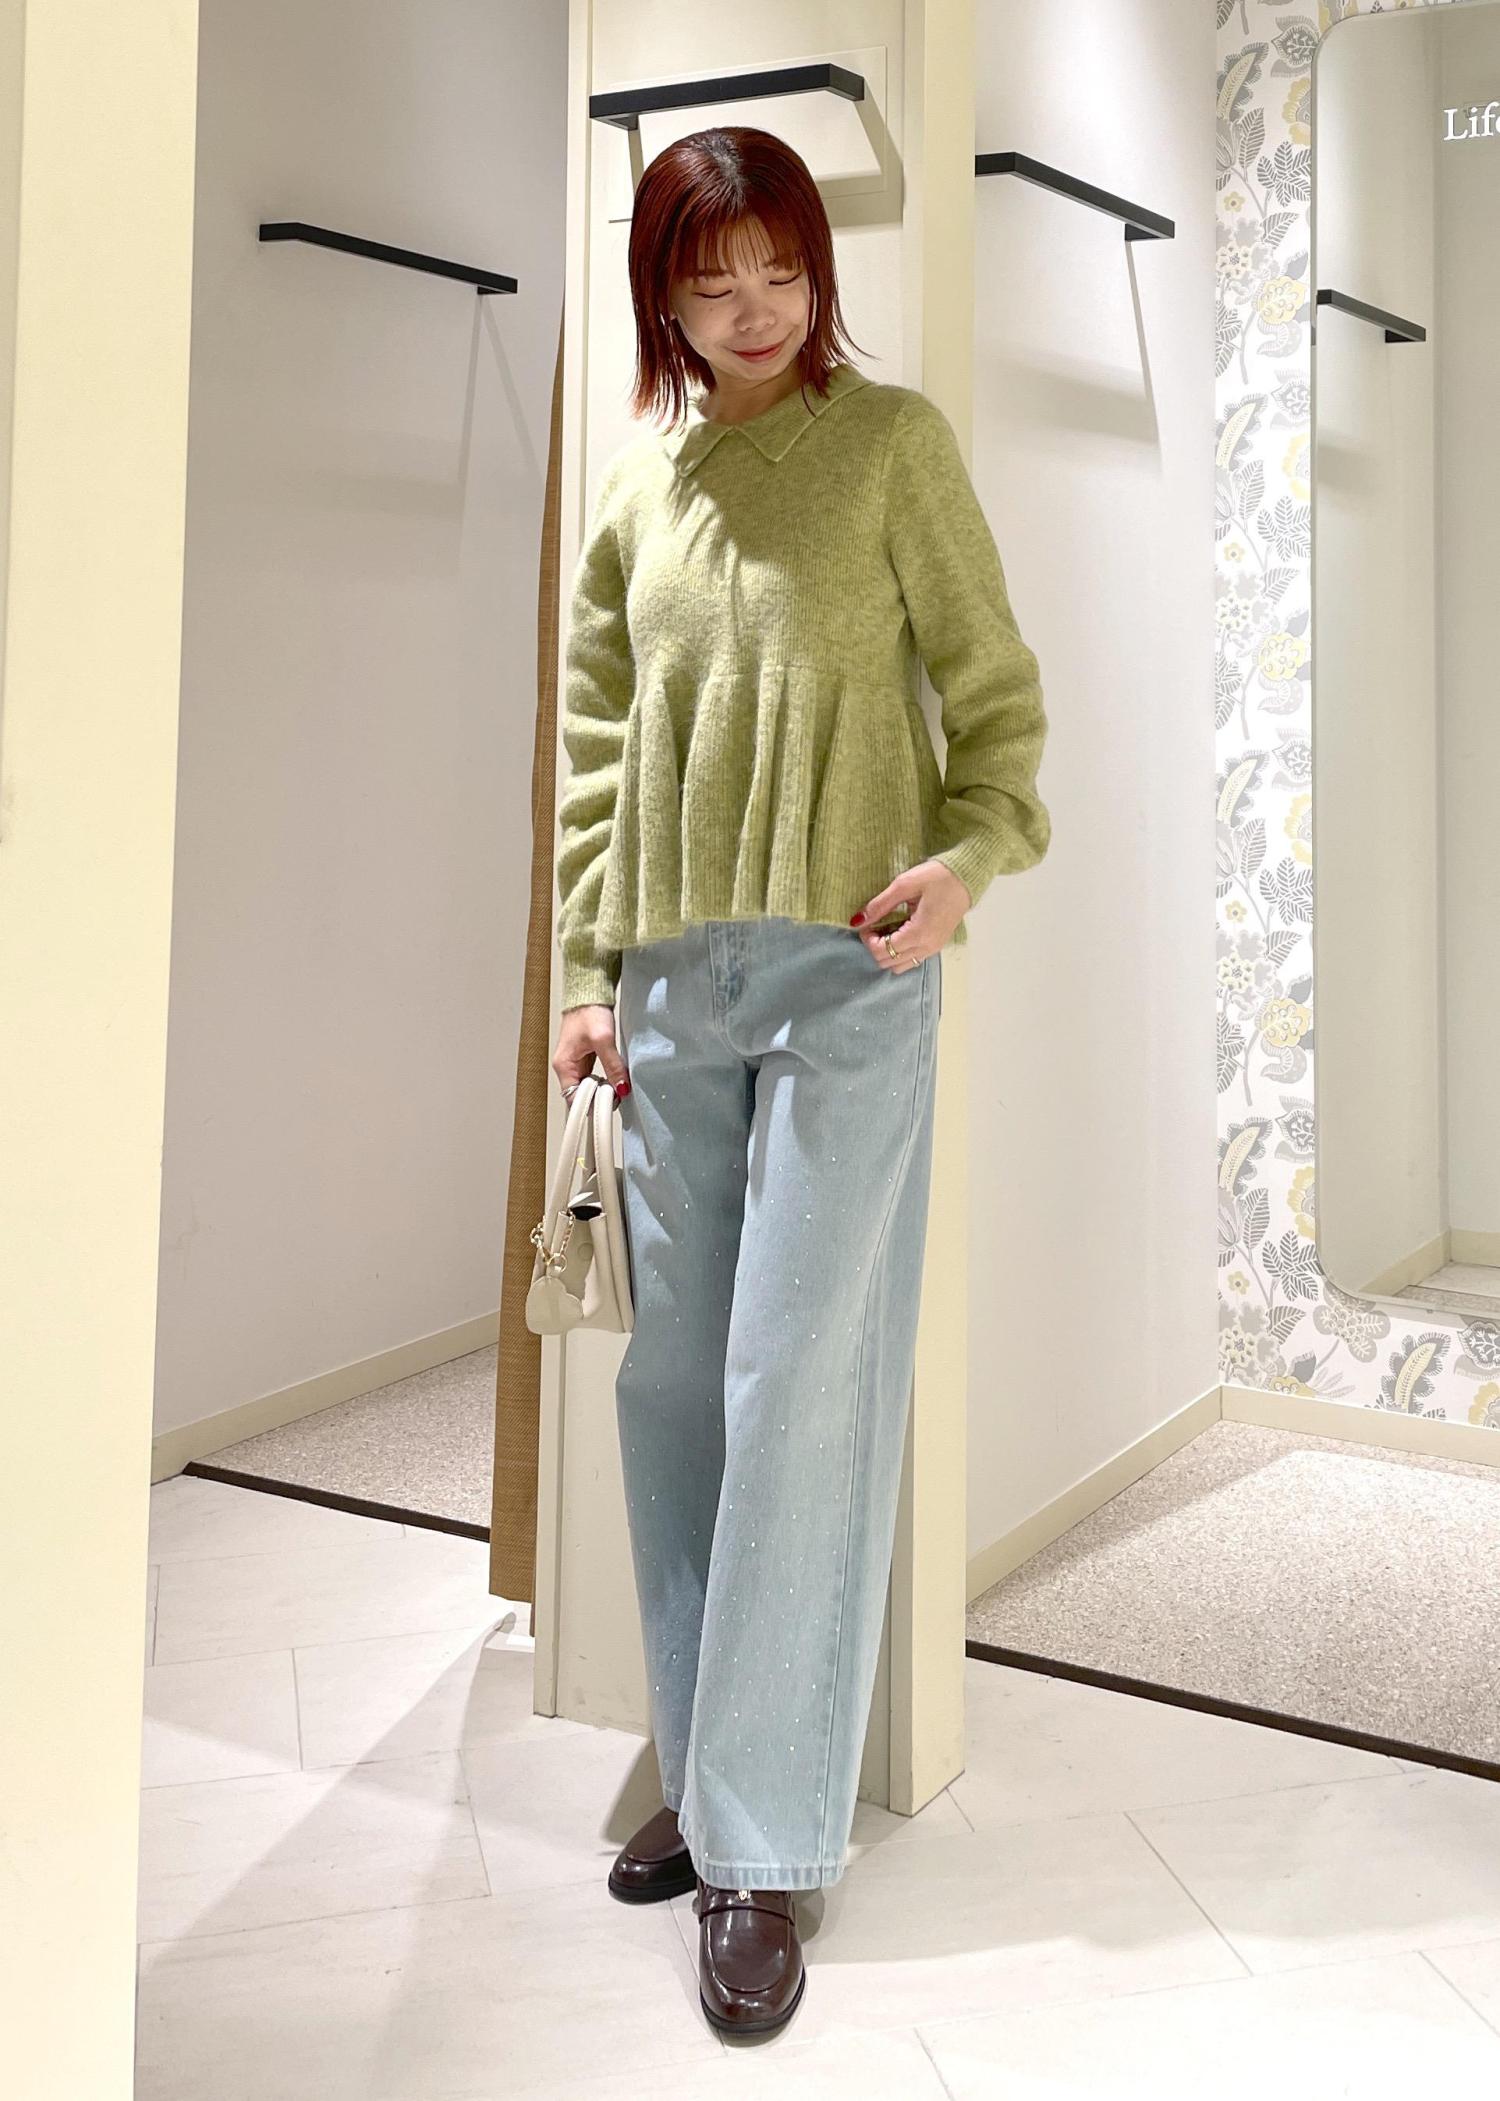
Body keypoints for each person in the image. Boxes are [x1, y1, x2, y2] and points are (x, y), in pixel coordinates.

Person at [549, 125, 1051, 2040]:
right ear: (664, 298)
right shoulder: (639, 489)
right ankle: (708, 1768)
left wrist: (972, 856)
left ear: (816, 273)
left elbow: (994, 695)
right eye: (710, 281)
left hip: (853, 975)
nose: (750, 309)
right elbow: (597, 752)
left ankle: (759, 1846)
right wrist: (584, 979)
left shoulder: (896, 446)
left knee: (795, 1381)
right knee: (674, 1385)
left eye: (776, 271)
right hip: (675, 984)